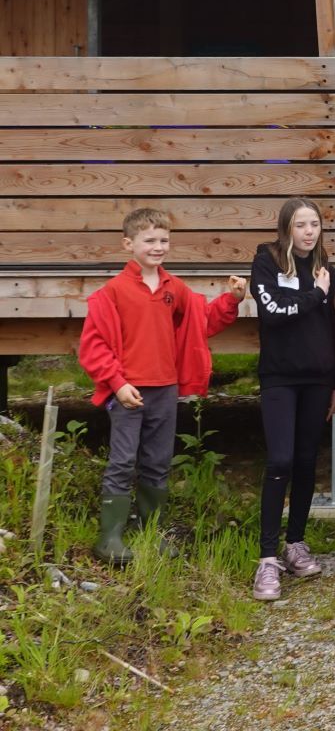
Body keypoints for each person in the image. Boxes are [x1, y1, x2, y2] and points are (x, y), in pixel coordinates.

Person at [79, 207, 245, 566]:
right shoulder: (113, 293)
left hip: (165, 388)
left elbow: (201, 320)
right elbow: (93, 347)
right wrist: (118, 384)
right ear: (129, 244)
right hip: (128, 392)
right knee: (123, 461)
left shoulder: (174, 287)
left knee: (157, 462)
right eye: (149, 240)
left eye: (164, 240)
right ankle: (110, 537)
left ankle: (150, 531)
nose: (158, 247)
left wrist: (231, 300)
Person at [249, 197, 335, 601]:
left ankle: (296, 544)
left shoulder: (326, 271)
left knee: (306, 462)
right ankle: (267, 558)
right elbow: (272, 312)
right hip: (280, 377)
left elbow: (333, 327)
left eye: (315, 225)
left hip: (318, 379)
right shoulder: (267, 262)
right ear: (286, 227)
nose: (309, 232)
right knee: (280, 460)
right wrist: (314, 296)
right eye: (301, 225)